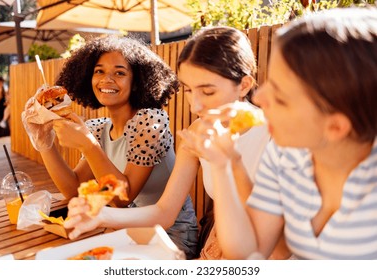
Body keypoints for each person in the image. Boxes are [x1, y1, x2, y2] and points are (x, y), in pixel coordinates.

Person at [64, 26, 282, 260]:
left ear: (244, 86)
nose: (194, 107)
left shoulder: (277, 135)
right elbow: (164, 211)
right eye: (188, 90)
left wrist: (227, 163)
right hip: (222, 247)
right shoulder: (198, 132)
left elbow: (269, 241)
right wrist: (102, 216)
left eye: (207, 92)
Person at [181, 7, 377, 259]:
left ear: (335, 127)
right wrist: (225, 164)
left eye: (281, 97)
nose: (260, 98)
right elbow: (248, 252)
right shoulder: (285, 155)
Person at [22, 35, 198, 258]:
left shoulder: (151, 122)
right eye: (99, 71)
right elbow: (74, 189)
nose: (106, 79)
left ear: (137, 83)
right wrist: (43, 141)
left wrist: (88, 145)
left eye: (120, 72)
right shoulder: (99, 129)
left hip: (170, 238)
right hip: (126, 233)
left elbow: (124, 199)